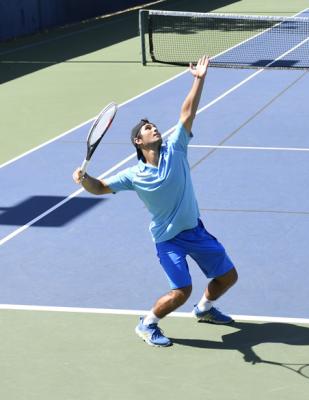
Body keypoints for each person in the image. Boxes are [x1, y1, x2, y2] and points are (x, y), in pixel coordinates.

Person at [72, 55, 239, 347]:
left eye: (154, 126)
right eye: (147, 129)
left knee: (228, 277)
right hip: (168, 239)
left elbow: (187, 114)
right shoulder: (133, 175)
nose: (154, 129)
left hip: (195, 230)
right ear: (138, 141)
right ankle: (147, 324)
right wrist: (84, 179)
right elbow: (98, 187)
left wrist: (199, 79)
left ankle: (205, 310)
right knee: (181, 291)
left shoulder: (176, 149)